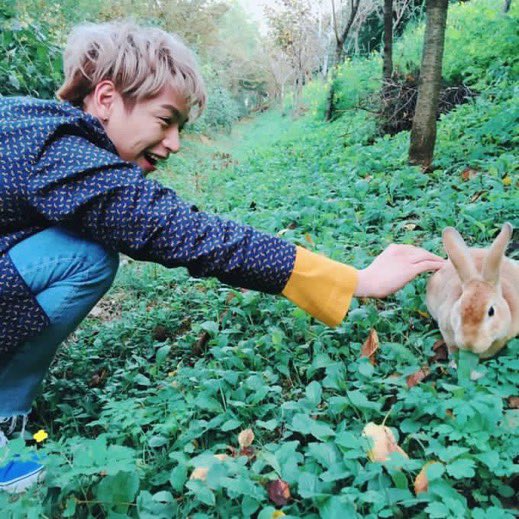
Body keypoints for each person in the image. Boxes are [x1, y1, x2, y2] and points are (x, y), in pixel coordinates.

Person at [0, 20, 445, 493]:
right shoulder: (61, 151)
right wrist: (357, 281)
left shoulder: (39, 124)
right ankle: (5, 427)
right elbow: (186, 232)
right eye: (165, 120)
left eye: (181, 127)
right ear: (107, 98)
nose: (173, 143)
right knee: (87, 255)